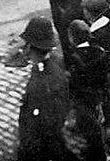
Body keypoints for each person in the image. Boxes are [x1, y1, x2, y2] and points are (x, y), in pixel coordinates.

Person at [17, 16, 71, 161]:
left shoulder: (43, 81)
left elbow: (41, 121)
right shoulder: (56, 60)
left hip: (42, 137)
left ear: (29, 46)